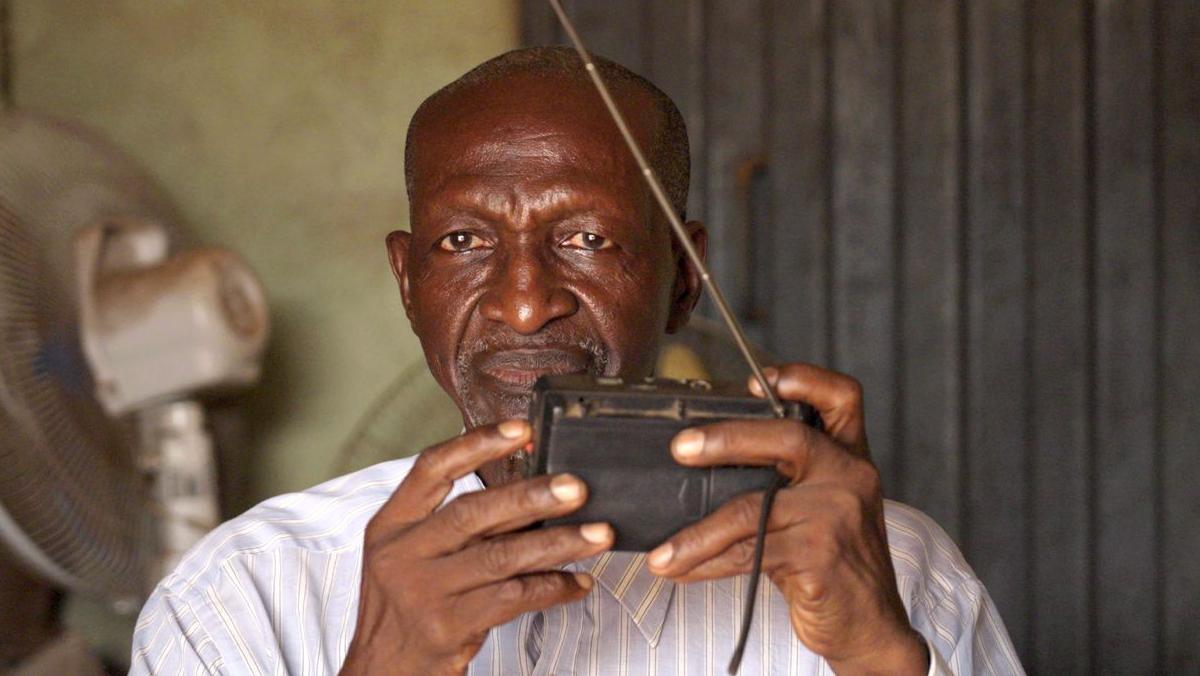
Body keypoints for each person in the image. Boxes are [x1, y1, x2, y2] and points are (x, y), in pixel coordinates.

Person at [130, 47, 1022, 675]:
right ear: (408, 280)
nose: (525, 301)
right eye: (466, 239)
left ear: (683, 281)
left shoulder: (888, 573)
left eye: (589, 238)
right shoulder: (242, 597)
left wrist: (878, 659)